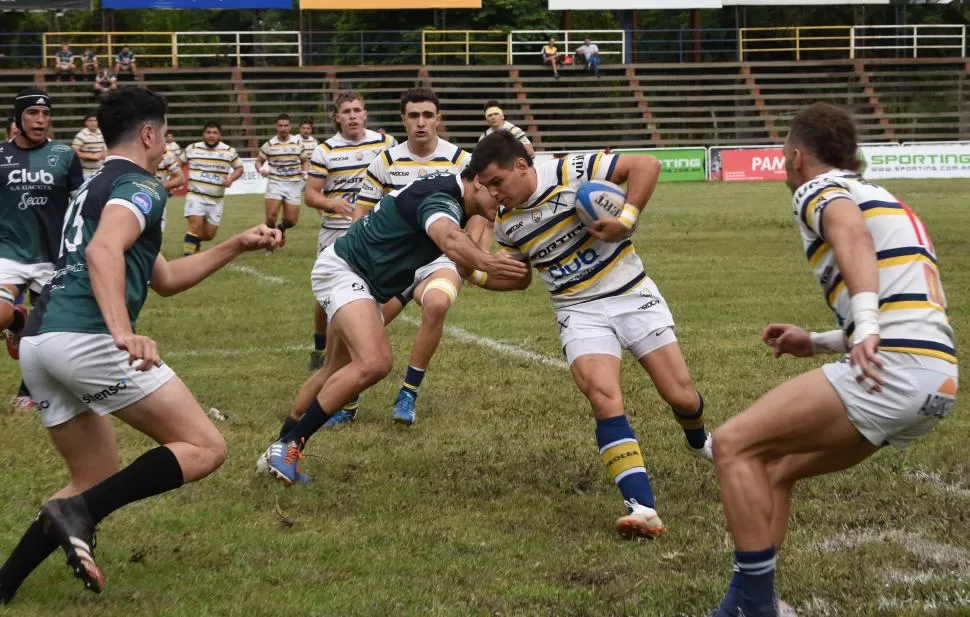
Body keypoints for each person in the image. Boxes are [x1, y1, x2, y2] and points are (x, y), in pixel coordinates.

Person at [0, 88, 281, 605]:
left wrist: (236, 243)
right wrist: (120, 331)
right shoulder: (140, 185)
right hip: (85, 338)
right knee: (205, 448)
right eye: (167, 132)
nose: (168, 142)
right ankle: (77, 514)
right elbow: (104, 250)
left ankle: (4, 583)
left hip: (42, 343)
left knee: (94, 479)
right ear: (149, 134)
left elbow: (166, 278)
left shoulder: (94, 186)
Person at [710, 102, 958, 617]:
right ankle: (756, 602)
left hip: (893, 369)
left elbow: (851, 235)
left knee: (731, 445)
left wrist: (864, 324)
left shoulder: (817, 189)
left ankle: (752, 607)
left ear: (798, 157)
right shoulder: (888, 199)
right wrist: (821, 341)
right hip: (938, 380)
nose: (782, 165)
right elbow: (907, 304)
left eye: (783, 155)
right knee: (774, 468)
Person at [469, 130, 712, 539]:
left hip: (631, 292)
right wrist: (476, 271)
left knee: (681, 395)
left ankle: (700, 441)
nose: (494, 195)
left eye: (497, 182)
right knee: (604, 397)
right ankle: (642, 508)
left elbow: (646, 165)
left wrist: (625, 221)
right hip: (577, 310)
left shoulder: (568, 170)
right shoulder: (506, 225)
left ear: (522, 167)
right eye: (487, 187)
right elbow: (519, 279)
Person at [259, 170, 529, 485]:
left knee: (333, 370)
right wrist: (489, 263)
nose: (502, 198)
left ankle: (277, 454)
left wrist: (515, 278)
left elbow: (466, 266)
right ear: (480, 180)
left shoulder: (459, 195)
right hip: (348, 271)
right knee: (375, 361)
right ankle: (289, 445)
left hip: (364, 278)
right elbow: (450, 239)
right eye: (498, 190)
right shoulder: (443, 196)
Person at [352, 87, 469, 426]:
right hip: (392, 261)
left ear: (438, 119)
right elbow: (360, 215)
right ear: (403, 120)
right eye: (414, 116)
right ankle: (347, 399)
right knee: (362, 327)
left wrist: (471, 256)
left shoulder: (460, 161)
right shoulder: (386, 160)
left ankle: (408, 393)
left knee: (436, 303)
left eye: (428, 115)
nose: (421, 122)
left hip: (438, 259)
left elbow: (481, 211)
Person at [0, 89, 83, 413]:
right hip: (8, 251)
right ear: (18, 118)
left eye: (46, 114)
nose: (41, 120)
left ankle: (28, 389)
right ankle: (15, 324)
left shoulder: (65, 155)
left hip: (53, 255)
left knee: (45, 334)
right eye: (33, 113)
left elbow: (81, 202)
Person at [304, 91, 396, 377]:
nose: (353, 116)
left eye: (357, 110)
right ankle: (320, 347)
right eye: (346, 111)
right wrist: (332, 203)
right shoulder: (325, 151)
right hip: (335, 233)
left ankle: (357, 347)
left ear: (365, 114)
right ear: (337, 117)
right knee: (326, 298)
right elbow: (310, 194)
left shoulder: (384, 143)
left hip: (373, 231)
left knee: (369, 290)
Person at [179, 121, 243, 255]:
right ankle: (188, 261)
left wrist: (231, 178)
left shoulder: (228, 151)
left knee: (209, 235)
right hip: (195, 196)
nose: (211, 136)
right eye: (208, 132)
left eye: (215, 133)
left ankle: (194, 241)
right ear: (203, 134)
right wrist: (176, 177)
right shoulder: (193, 148)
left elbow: (239, 167)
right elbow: (177, 164)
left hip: (216, 200)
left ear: (220, 135)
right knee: (194, 227)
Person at [257, 113, 308, 246]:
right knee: (271, 216)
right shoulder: (269, 144)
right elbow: (259, 161)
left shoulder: (298, 143)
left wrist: (305, 171)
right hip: (275, 182)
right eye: (280, 125)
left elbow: (304, 160)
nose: (283, 128)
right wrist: (260, 169)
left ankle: (281, 229)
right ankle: (270, 240)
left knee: (291, 220)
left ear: (290, 127)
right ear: (276, 126)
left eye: (286, 125)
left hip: (294, 184)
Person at [72, 114, 107, 181]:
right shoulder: (81, 135)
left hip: (102, 170)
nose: (93, 123)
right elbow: (74, 151)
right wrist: (92, 156)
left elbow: (107, 148)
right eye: (90, 121)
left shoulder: (102, 133)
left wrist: (105, 154)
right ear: (86, 123)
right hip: (87, 173)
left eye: (95, 120)